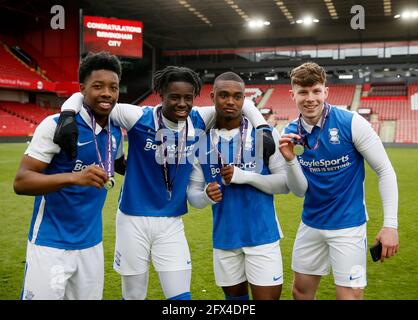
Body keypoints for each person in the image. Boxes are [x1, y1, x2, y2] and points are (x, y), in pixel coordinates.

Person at [53, 66, 270, 300]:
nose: (182, 104)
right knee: (134, 295)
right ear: (161, 95)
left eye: (188, 98)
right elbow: (88, 98)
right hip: (132, 220)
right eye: (174, 97)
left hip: (171, 222)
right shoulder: (137, 117)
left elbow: (244, 103)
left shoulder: (199, 118)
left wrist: (263, 128)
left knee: (181, 298)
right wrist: (67, 115)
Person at [281, 62, 399, 300]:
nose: (310, 98)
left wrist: (390, 225)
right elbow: (298, 191)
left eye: (316, 91)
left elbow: (385, 170)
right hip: (311, 225)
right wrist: (291, 160)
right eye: (303, 92)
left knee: (350, 296)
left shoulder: (351, 122)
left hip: (349, 227)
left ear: (326, 92)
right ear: (293, 95)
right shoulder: (289, 132)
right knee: (300, 292)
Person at [13, 51, 125, 300]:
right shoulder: (56, 126)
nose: (107, 93)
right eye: (98, 86)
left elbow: (121, 164)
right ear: (82, 89)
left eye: (113, 87)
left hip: (92, 245)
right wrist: (74, 177)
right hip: (50, 243)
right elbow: (21, 182)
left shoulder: (116, 131)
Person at [186, 72, 307, 300]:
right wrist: (205, 196)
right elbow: (192, 195)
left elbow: (284, 185)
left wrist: (246, 177)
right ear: (212, 97)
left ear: (244, 99)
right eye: (223, 95)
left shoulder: (264, 134)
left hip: (262, 236)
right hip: (225, 238)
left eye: (237, 96)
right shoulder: (200, 141)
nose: (230, 101)